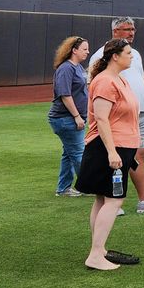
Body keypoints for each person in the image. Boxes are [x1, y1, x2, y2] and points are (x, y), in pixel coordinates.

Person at [87, 17, 144, 213]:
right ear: (115, 31)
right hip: (118, 116)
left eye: (133, 29)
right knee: (116, 156)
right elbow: (95, 86)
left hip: (139, 112)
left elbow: (138, 80)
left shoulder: (135, 54)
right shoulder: (101, 55)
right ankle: (111, 201)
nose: (131, 32)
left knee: (139, 154)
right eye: (126, 29)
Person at [75, 38, 142, 270]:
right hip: (108, 147)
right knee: (114, 200)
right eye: (128, 52)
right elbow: (101, 119)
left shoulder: (118, 79)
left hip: (119, 146)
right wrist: (113, 152)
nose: (131, 56)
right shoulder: (105, 82)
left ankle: (99, 249)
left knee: (103, 198)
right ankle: (95, 255)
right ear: (115, 56)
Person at [48, 36, 90, 197]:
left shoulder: (78, 67)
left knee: (69, 154)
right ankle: (89, 185)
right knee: (79, 154)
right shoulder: (66, 68)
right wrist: (77, 116)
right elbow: (65, 95)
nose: (87, 51)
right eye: (84, 49)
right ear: (74, 50)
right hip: (65, 119)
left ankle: (63, 188)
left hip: (71, 118)